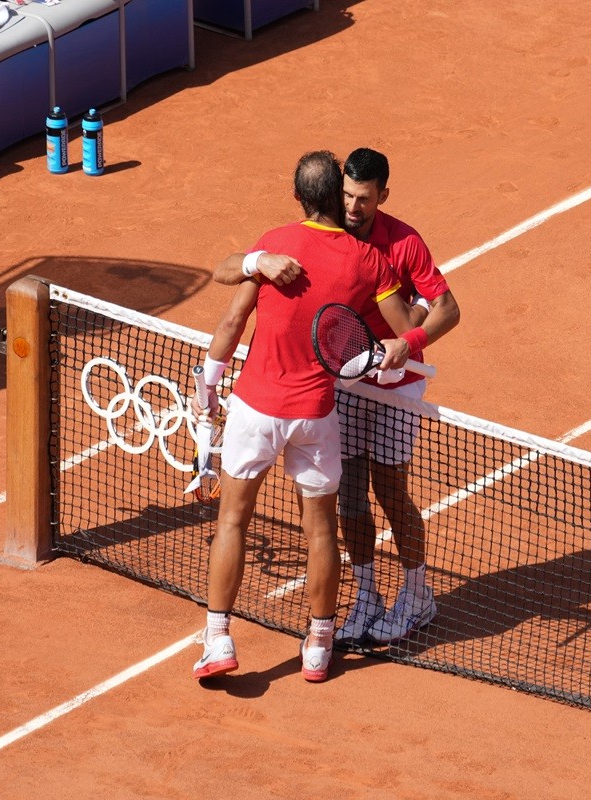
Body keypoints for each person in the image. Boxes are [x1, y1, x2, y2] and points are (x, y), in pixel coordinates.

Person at [191, 151, 424, 683]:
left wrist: (208, 390)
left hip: (255, 408)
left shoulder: (276, 243)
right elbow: (404, 325)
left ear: (298, 197)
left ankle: (219, 638)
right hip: (317, 415)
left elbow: (231, 320)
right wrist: (413, 332)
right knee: (321, 532)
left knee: (232, 521)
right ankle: (319, 646)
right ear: (335, 196)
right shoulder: (370, 262)